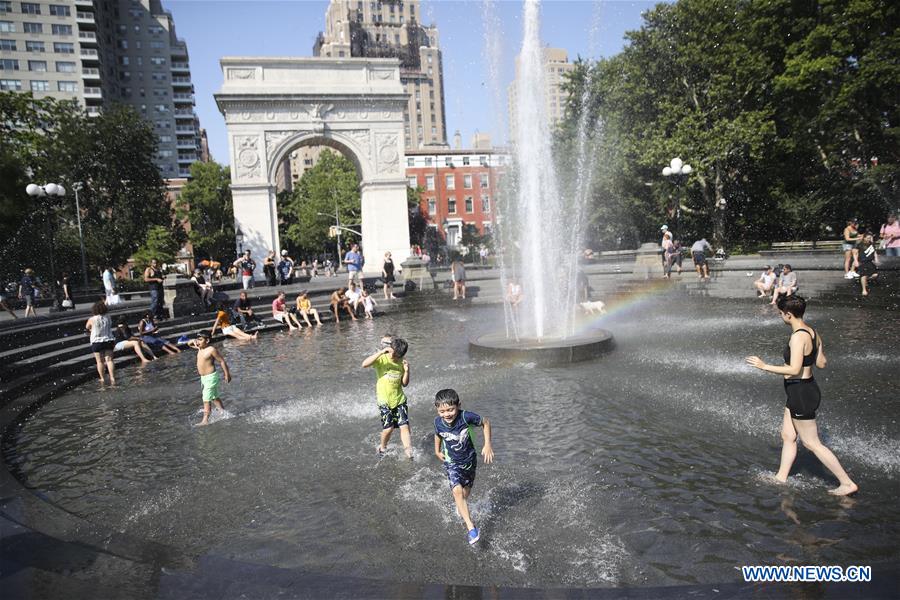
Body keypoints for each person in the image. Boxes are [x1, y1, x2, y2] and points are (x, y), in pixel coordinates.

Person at [745, 295, 857, 496]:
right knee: (788, 435)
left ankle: (847, 483)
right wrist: (814, 352)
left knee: (811, 443)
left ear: (788, 315)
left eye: (781, 314)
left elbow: (794, 368)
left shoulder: (797, 336)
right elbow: (822, 363)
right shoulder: (813, 332)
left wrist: (764, 366)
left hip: (801, 391)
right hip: (803, 388)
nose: (781, 317)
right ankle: (781, 477)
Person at [433, 388, 494, 545]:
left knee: (465, 492)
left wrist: (487, 445)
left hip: (469, 461)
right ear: (437, 409)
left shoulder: (466, 417)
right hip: (451, 462)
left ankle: (461, 507)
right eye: (442, 411)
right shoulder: (438, 422)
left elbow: (485, 422)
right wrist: (437, 450)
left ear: (458, 406)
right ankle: (471, 527)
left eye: (450, 410)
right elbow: (438, 434)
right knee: (457, 491)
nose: (447, 414)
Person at [362, 337, 412, 458]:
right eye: (393, 355)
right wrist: (380, 352)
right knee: (388, 428)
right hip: (384, 401)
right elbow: (364, 364)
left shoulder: (402, 362)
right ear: (390, 349)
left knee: (404, 426)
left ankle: (408, 451)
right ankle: (382, 447)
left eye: (398, 356)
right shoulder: (382, 359)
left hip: (399, 399)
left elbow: (404, 384)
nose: (394, 358)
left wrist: (406, 371)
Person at [187, 331, 232, 426]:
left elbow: (222, 361)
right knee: (214, 397)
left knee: (206, 398)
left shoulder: (211, 349)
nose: (198, 342)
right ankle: (223, 413)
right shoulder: (199, 348)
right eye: (197, 339)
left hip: (211, 377)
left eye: (200, 339)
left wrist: (227, 374)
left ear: (207, 340)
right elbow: (189, 343)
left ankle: (205, 420)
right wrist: (193, 340)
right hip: (204, 378)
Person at [86, 299, 116, 384]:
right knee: (109, 360)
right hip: (108, 340)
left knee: (100, 361)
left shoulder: (92, 319)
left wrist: (92, 329)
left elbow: (87, 327)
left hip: (96, 341)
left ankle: (102, 378)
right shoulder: (108, 317)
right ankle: (112, 377)